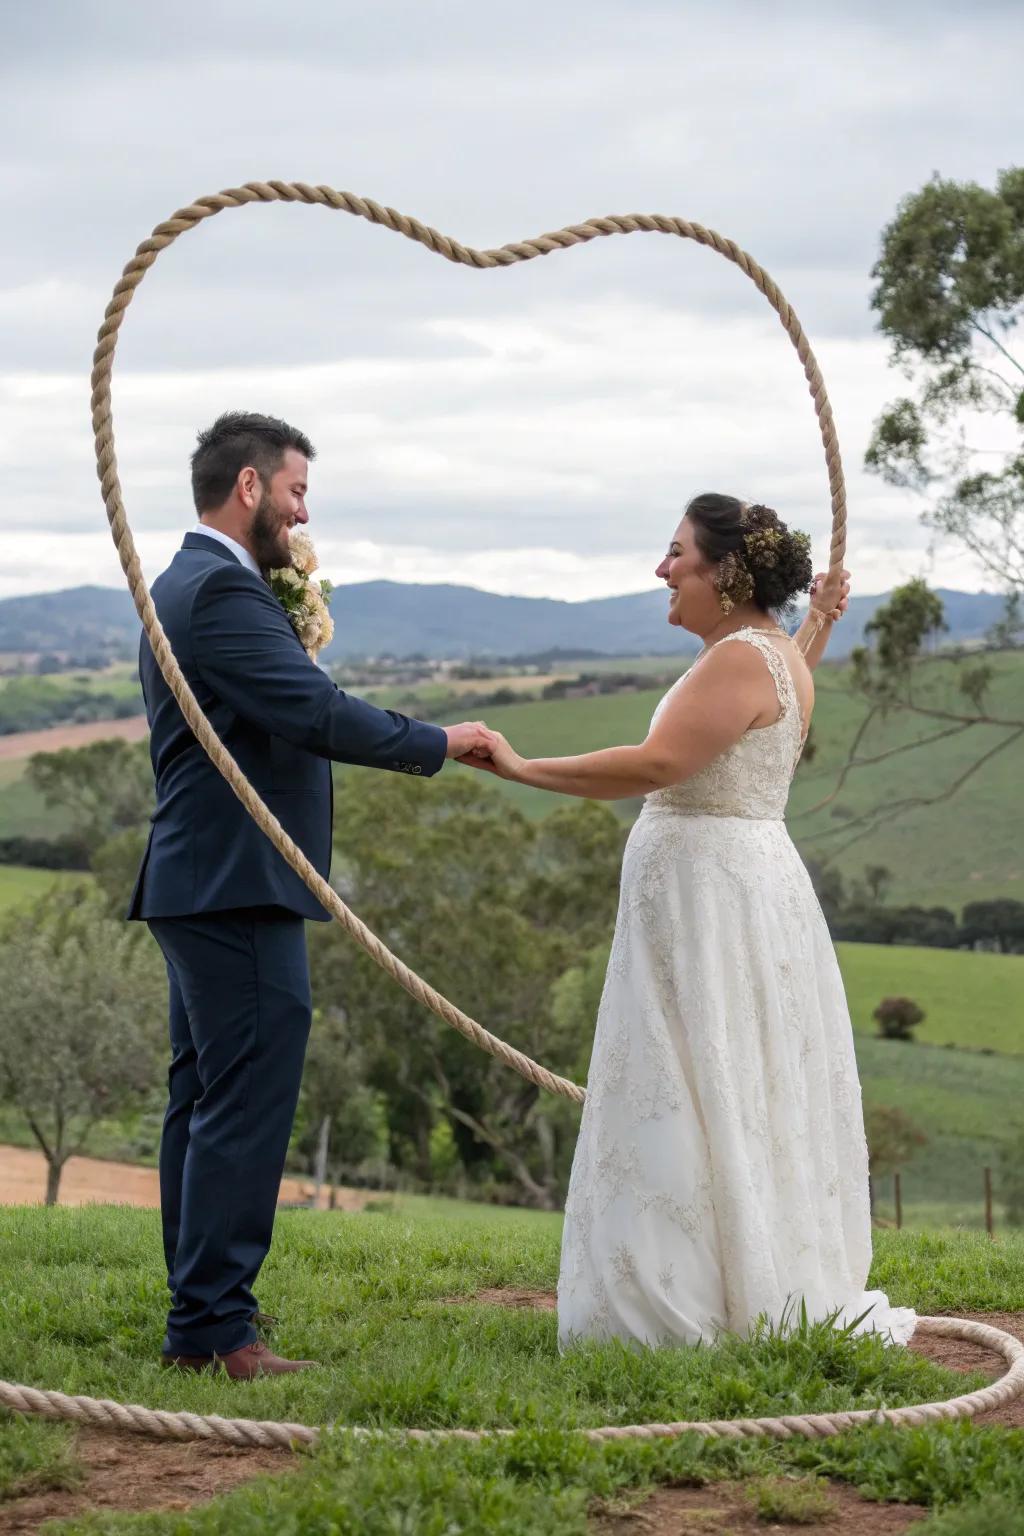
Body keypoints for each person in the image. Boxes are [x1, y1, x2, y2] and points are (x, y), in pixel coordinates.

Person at [460, 494, 916, 1351]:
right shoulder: (770, 654)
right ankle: (727, 1273)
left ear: (728, 572)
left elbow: (658, 763)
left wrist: (521, 767)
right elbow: (757, 706)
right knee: (721, 1077)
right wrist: (818, 621)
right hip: (732, 893)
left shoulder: (740, 658)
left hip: (709, 900)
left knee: (694, 1073)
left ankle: (681, 1301)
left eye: (677, 554)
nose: (662, 569)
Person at [130, 411, 497, 1378]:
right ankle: (216, 1328)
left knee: (205, 1098)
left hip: (202, 878)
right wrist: (439, 741)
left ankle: (200, 1317)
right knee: (243, 1100)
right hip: (235, 878)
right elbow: (312, 711)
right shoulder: (220, 590)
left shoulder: (186, 581)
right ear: (249, 486)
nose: (302, 515)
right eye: (296, 492)